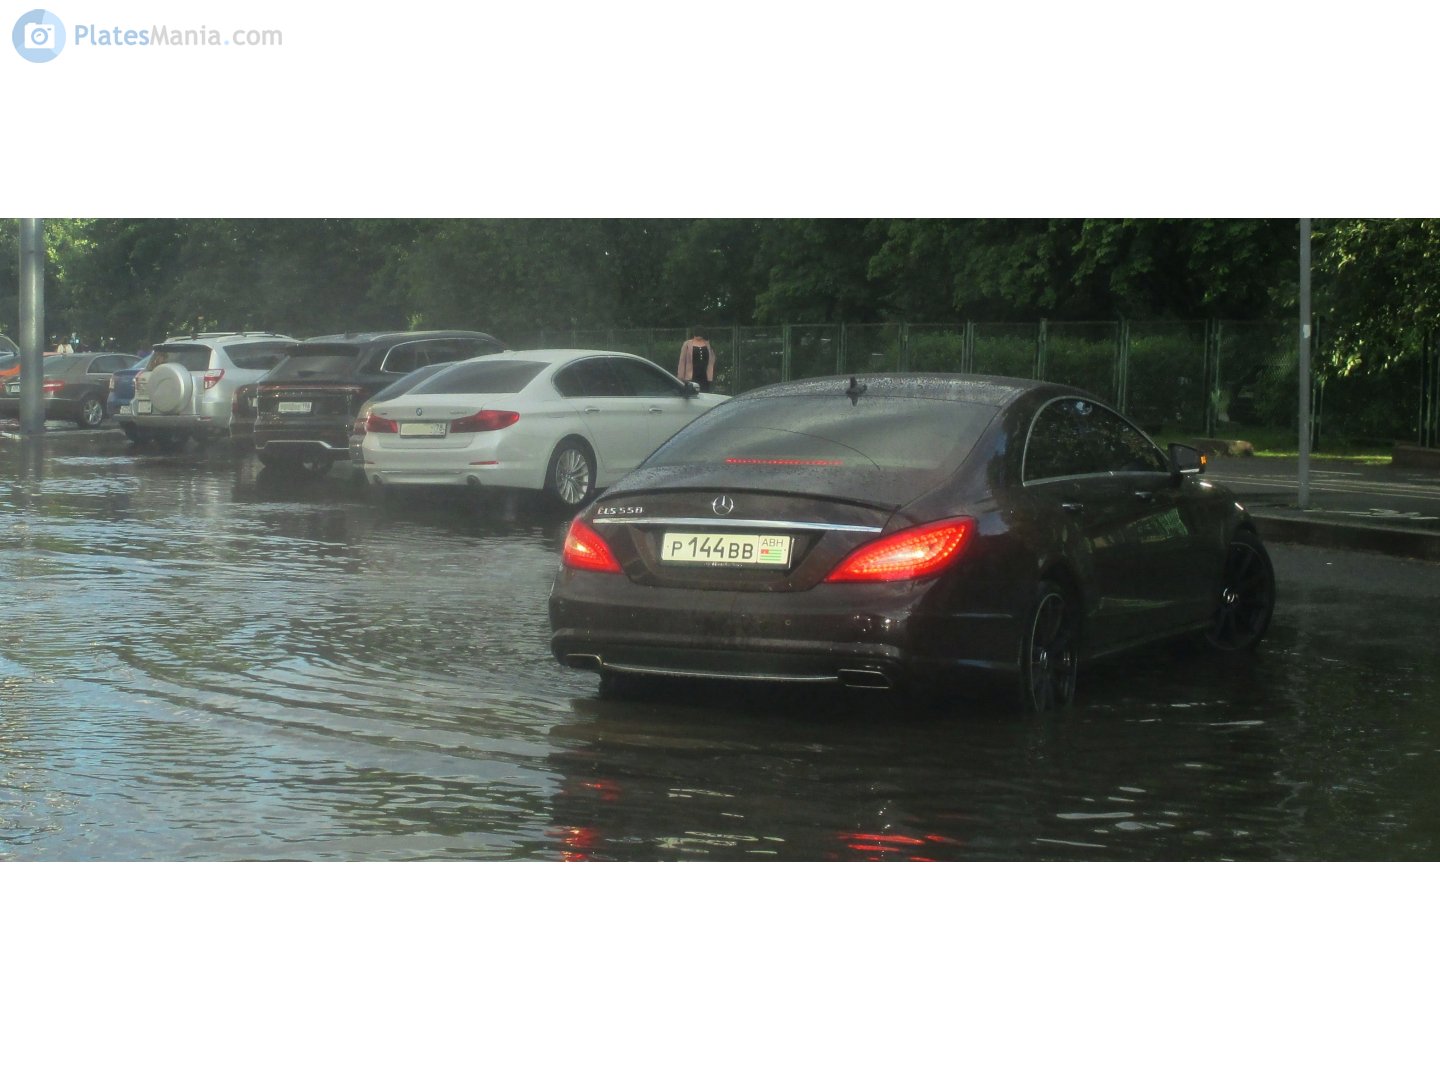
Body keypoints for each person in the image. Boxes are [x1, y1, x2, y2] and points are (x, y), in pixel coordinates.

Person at [677, 328, 716, 393]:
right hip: (691, 376)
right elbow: (682, 361)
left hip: (705, 376)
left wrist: (711, 373)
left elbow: (712, 359)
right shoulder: (687, 344)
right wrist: (680, 376)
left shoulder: (708, 344)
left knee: (705, 393)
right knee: (693, 393)